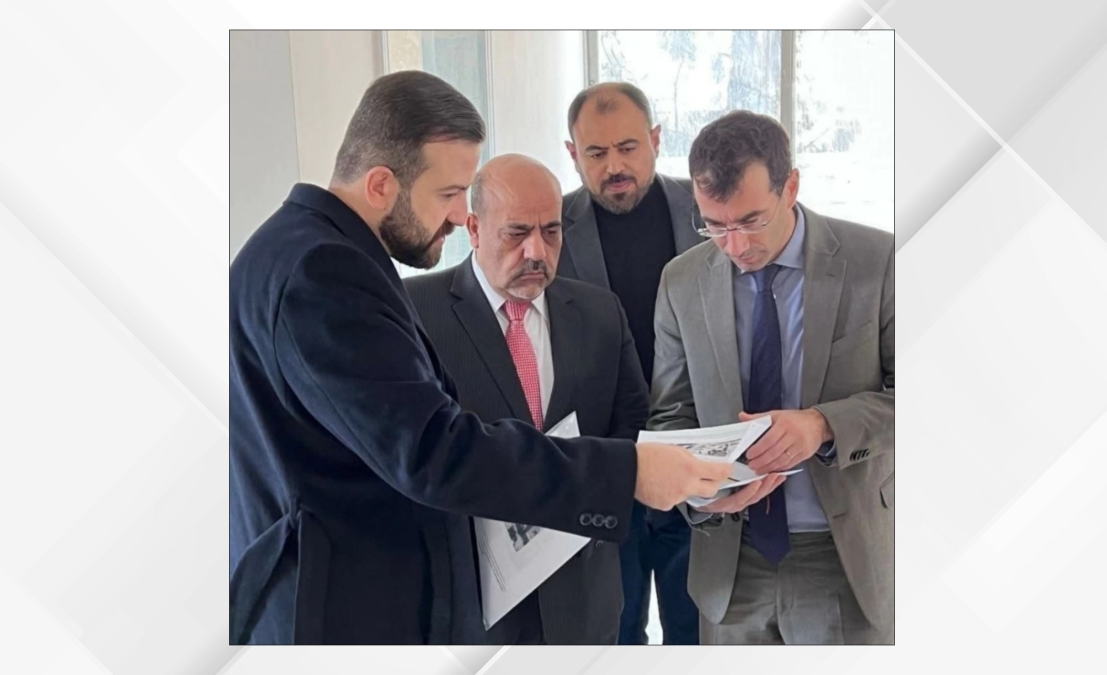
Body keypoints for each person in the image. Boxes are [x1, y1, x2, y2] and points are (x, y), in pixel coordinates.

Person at [228, 71, 731, 645]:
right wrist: (628, 471)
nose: (453, 217)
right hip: (337, 610)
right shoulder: (325, 272)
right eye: (448, 195)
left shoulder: (291, 247)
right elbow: (431, 451)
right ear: (381, 185)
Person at [649, 111, 895, 644]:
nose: (735, 245)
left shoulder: (878, 261)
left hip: (842, 558)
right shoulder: (680, 281)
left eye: (751, 221)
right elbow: (671, 414)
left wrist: (822, 425)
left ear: (792, 187)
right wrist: (699, 493)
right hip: (728, 566)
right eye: (715, 225)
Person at [406, 154, 649, 645]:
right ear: (474, 229)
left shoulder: (601, 312)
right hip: (469, 610)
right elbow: (409, 454)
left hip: (586, 602)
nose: (537, 251)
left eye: (551, 232)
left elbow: (633, 429)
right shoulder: (415, 311)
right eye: (516, 233)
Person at [558, 81, 705, 645]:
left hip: (693, 452)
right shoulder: (552, 227)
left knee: (695, 629)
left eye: (628, 147)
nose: (614, 166)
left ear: (656, 140)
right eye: (596, 153)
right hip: (603, 456)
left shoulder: (706, 209)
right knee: (615, 631)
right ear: (572, 154)